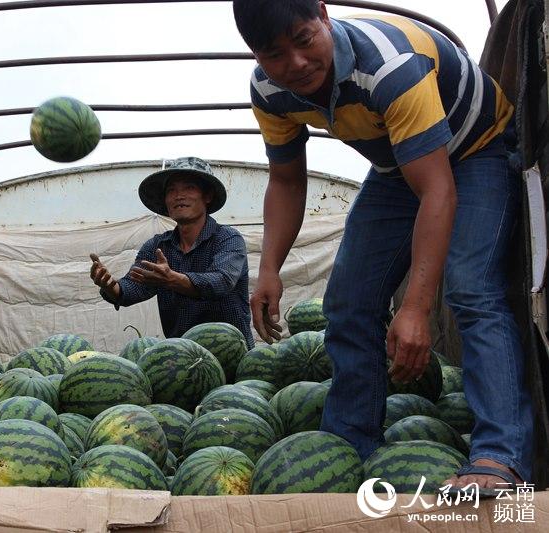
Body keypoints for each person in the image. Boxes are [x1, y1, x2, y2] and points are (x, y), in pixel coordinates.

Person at [233, 0, 532, 492]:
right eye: (274, 53)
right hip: (399, 164)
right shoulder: (269, 90)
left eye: (305, 40)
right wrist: (268, 269)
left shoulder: (391, 66)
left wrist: (414, 307)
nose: (296, 64)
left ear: (325, 16)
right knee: (349, 302)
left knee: (471, 291)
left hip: (476, 149)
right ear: (254, 53)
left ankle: (500, 456)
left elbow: (438, 189)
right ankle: (349, 448)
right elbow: (286, 182)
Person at [89, 156, 255, 348]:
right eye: (171, 190)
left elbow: (221, 282)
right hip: (181, 360)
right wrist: (112, 287)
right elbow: (135, 286)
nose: (179, 196)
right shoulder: (157, 246)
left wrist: (173, 280)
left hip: (232, 355)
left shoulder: (227, 239)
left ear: (207, 196)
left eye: (189, 188)